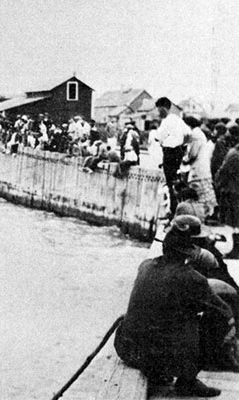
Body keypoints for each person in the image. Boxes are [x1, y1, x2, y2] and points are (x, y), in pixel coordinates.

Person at [115, 215, 237, 397]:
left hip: (126, 349)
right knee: (218, 317)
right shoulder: (191, 278)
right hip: (153, 357)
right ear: (190, 252)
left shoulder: (146, 265)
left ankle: (161, 372)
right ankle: (187, 380)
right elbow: (224, 311)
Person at [156, 97, 191, 217]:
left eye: (159, 109)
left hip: (169, 153)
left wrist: (164, 143)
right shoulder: (178, 120)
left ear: (163, 108)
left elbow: (159, 138)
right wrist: (182, 146)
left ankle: (173, 210)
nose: (158, 112)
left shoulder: (165, 122)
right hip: (178, 152)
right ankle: (180, 208)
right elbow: (189, 134)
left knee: (170, 183)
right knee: (178, 181)